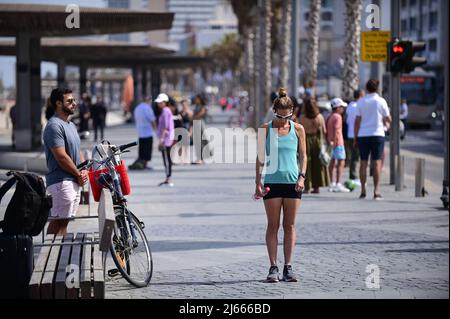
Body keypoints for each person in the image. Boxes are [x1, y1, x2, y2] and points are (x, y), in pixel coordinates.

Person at [254, 87, 307, 283]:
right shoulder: (264, 129)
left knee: (290, 225)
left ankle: (288, 267)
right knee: (273, 226)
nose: (283, 120)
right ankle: (273, 266)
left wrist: (302, 177)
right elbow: (259, 158)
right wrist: (257, 183)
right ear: (274, 111)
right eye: (280, 116)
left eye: (287, 116)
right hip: (272, 183)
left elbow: (304, 156)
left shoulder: (298, 129)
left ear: (292, 112)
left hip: (293, 183)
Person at [42, 87, 88, 235]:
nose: (74, 103)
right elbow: (61, 157)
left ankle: (59, 253)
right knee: (58, 222)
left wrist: (83, 170)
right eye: (69, 101)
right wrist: (78, 174)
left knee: (64, 222)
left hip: (72, 180)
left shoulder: (71, 125)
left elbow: (78, 150)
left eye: (74, 100)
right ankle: (49, 256)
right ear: (58, 104)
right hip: (61, 182)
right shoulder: (54, 126)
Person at [354, 79, 392, 200]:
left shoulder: (361, 101)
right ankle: (376, 190)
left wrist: (355, 137)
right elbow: (388, 119)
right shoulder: (381, 101)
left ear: (366, 88)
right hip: (377, 135)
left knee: (363, 163)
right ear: (377, 88)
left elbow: (357, 122)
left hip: (363, 135)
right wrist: (386, 122)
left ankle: (363, 190)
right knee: (376, 163)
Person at [299, 97, 330, 193]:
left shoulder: (302, 118)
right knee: (317, 164)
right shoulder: (319, 117)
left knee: (306, 163)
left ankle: (307, 186)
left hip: (306, 140)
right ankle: (317, 187)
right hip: (317, 141)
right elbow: (324, 131)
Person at [326, 98, 350, 192]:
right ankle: (338, 183)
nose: (343, 109)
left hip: (330, 142)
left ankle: (331, 183)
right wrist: (335, 142)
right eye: (341, 107)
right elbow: (336, 131)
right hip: (338, 143)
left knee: (332, 162)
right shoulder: (338, 117)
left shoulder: (330, 116)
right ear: (337, 107)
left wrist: (330, 142)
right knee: (341, 162)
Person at [129, 96, 157, 170]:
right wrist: (156, 130)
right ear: (149, 101)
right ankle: (145, 164)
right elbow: (152, 120)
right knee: (147, 150)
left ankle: (141, 163)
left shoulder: (137, 108)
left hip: (140, 132)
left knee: (142, 149)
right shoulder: (148, 108)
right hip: (148, 132)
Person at [345, 89, 365, 183]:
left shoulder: (350, 106)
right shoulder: (358, 106)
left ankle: (353, 175)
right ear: (360, 95)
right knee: (356, 157)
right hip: (357, 134)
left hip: (350, 134)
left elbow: (347, 120)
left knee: (354, 156)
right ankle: (353, 177)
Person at [155, 93, 175, 186]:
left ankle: (168, 177)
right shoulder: (165, 110)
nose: (159, 104)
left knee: (167, 159)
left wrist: (161, 139)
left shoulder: (165, 111)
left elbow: (165, 127)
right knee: (166, 158)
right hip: (166, 138)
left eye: (160, 102)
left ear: (165, 102)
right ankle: (167, 177)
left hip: (166, 138)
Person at [192, 94, 211, 164]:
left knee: (201, 141)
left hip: (200, 124)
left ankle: (201, 158)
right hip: (196, 123)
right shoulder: (196, 106)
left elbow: (201, 113)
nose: (195, 100)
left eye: (197, 99)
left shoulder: (203, 106)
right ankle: (199, 158)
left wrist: (194, 117)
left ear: (200, 99)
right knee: (197, 142)